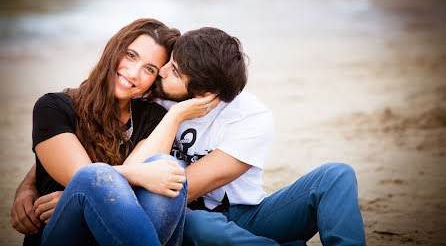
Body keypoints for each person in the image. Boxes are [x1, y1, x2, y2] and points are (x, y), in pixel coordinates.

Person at [13, 26, 367, 245]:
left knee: (335, 175)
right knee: (195, 218)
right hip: (172, 217)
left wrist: (90, 190)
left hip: (234, 213)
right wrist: (32, 185)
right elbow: (71, 127)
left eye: (169, 69)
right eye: (160, 64)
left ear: (201, 92)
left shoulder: (251, 118)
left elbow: (179, 186)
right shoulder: (155, 92)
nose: (158, 72)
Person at [12, 18, 219, 246]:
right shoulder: (53, 107)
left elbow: (151, 181)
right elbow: (83, 180)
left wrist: (176, 114)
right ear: (114, 48)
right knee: (93, 175)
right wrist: (137, 175)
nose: (132, 73)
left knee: (169, 168)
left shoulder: (152, 118)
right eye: (131, 55)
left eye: (149, 69)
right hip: (62, 233)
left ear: (155, 79)